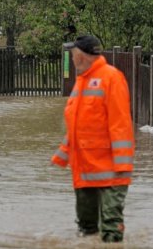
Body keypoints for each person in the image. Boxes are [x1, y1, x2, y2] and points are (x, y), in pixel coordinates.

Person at [51, 35, 134, 243]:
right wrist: (62, 156)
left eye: (73, 53)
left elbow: (120, 124)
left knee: (111, 232)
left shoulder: (111, 78)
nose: (71, 57)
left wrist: (122, 166)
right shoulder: (81, 82)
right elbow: (77, 126)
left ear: (82, 56)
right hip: (85, 170)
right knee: (86, 232)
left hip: (111, 171)